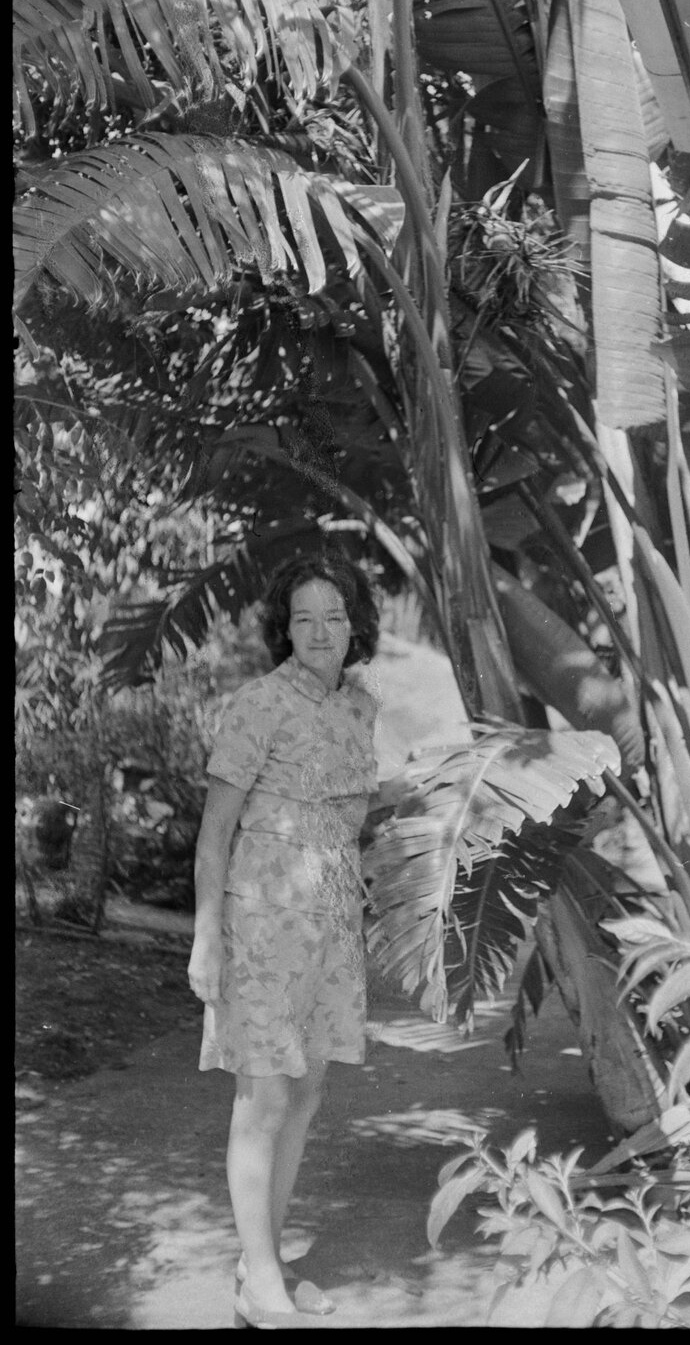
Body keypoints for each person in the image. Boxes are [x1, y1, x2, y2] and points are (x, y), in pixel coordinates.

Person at [187, 551, 388, 1327]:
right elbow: (214, 835)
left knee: (305, 1091)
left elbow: (352, 816)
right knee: (264, 1094)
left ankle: (260, 1263)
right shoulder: (258, 704)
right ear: (285, 628)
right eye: (304, 617)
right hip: (262, 923)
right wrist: (206, 937)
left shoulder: (361, 709)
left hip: (331, 921)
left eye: (334, 616)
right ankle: (262, 1281)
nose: (320, 631)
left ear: (355, 625)